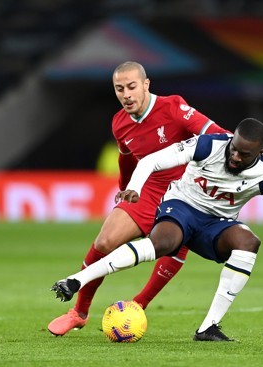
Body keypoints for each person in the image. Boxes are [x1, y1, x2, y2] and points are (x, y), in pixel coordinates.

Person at [51, 118, 263, 341]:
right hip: (182, 205)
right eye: (234, 148)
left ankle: (208, 328)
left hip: (215, 224)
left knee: (249, 242)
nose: (234, 156)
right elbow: (152, 160)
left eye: (244, 155)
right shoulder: (208, 145)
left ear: (261, 152)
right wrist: (135, 186)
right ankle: (76, 280)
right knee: (164, 243)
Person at [47, 61, 230, 336]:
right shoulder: (119, 123)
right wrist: (125, 193)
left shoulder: (173, 107)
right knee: (104, 241)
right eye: (119, 89)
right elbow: (127, 160)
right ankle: (79, 311)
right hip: (150, 190)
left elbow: (219, 135)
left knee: (173, 247)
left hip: (185, 192)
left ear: (146, 84)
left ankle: (138, 305)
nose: (126, 94)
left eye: (132, 87)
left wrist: (255, 156)